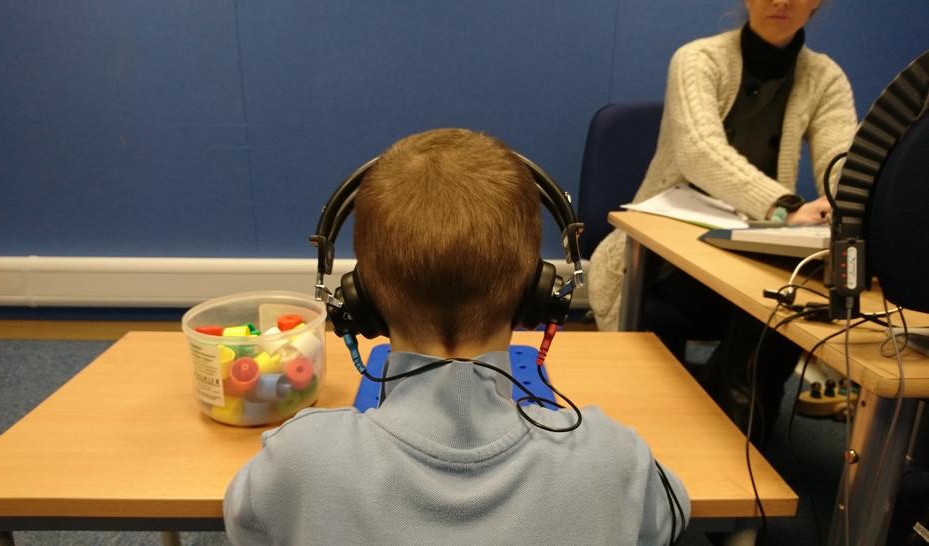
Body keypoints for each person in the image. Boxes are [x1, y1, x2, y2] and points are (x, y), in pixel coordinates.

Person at [223, 128, 689, 544]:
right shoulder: (614, 458)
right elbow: (671, 517)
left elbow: (246, 523)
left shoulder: (299, 459)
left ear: (361, 301)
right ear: (537, 296)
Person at [586, 0, 857, 443]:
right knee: (766, 303)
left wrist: (847, 198)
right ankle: (729, 428)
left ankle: (734, 434)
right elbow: (699, 153)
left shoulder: (825, 77)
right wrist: (785, 207)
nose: (781, 1)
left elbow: (841, 162)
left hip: (757, 247)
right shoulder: (697, 59)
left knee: (788, 300)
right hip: (668, 251)